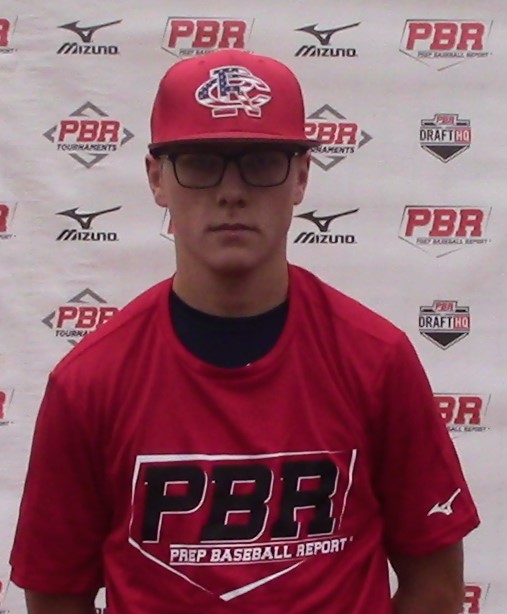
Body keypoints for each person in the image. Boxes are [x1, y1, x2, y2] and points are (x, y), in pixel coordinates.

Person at [10, 49, 479, 614]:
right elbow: (55, 594)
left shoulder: (376, 359)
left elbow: (436, 584)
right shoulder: (89, 381)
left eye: (260, 162)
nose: (231, 192)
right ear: (157, 178)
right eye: (200, 163)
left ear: (301, 176)